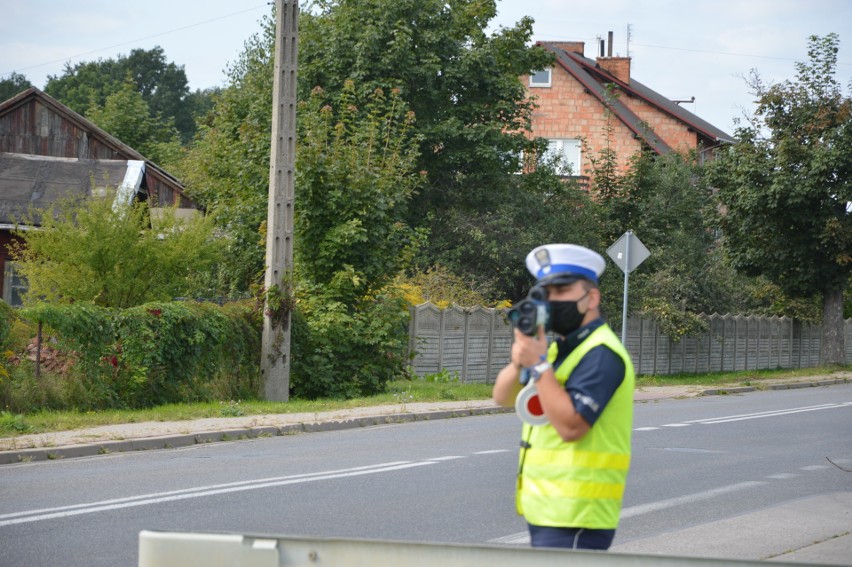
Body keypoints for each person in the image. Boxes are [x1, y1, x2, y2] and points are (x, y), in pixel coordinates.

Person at [492, 243, 635, 551]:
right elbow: (502, 396)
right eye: (546, 293)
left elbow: (572, 427)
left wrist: (540, 366)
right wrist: (521, 358)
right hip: (549, 512)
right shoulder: (557, 349)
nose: (552, 300)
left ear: (591, 298)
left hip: (579, 516)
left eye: (561, 291)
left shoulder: (602, 354)